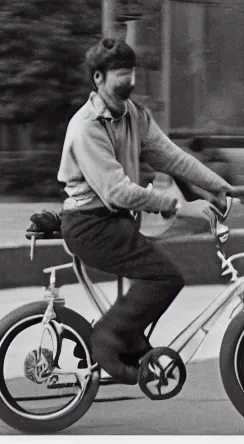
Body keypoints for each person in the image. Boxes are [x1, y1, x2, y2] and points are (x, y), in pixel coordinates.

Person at [57, 37, 232, 385]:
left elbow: (172, 157)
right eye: (121, 74)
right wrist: (181, 208)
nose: (129, 80)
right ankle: (107, 338)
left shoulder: (134, 114)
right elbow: (117, 191)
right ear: (98, 79)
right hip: (91, 225)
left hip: (113, 223)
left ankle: (126, 337)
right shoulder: (87, 126)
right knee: (165, 277)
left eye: (131, 72)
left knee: (154, 278)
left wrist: (218, 186)